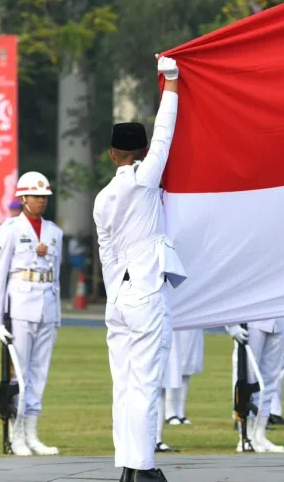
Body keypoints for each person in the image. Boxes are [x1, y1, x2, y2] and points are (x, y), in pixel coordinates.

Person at [92, 55, 187, 482]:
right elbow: (165, 135)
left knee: (125, 386)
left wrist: (116, 290)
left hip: (121, 298)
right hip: (148, 293)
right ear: (141, 152)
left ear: (112, 154)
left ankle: (129, 467)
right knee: (147, 384)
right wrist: (171, 83)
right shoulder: (146, 179)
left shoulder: (102, 198)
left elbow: (106, 253)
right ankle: (143, 468)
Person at [0, 170, 64, 457]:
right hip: (19, 308)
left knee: (39, 374)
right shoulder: (10, 229)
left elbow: (55, 276)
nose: (41, 201)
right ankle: (15, 434)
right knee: (18, 375)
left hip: (46, 307)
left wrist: (56, 314)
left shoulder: (55, 233)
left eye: (44, 196)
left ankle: (32, 434)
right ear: (23, 198)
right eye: (35, 196)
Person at [222, 318, 284, 452]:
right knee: (246, 376)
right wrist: (232, 324)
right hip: (252, 320)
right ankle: (245, 435)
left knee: (270, 378)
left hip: (279, 319)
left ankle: (259, 434)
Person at [165, 327, 203, 425]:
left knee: (188, 367)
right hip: (177, 327)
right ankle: (170, 411)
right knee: (174, 367)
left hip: (193, 327)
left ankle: (180, 411)